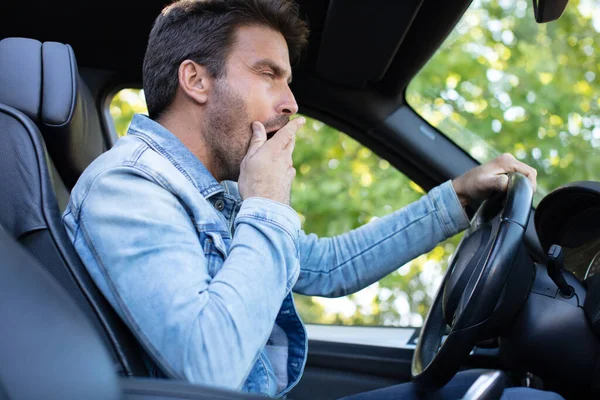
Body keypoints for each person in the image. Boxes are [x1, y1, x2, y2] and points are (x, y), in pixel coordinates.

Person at [62, 0, 562, 399]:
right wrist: (267, 205)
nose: (291, 102)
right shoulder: (127, 188)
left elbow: (326, 265)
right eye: (267, 73)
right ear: (196, 80)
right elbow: (207, 368)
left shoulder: (211, 193)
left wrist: (454, 198)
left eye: (288, 80)